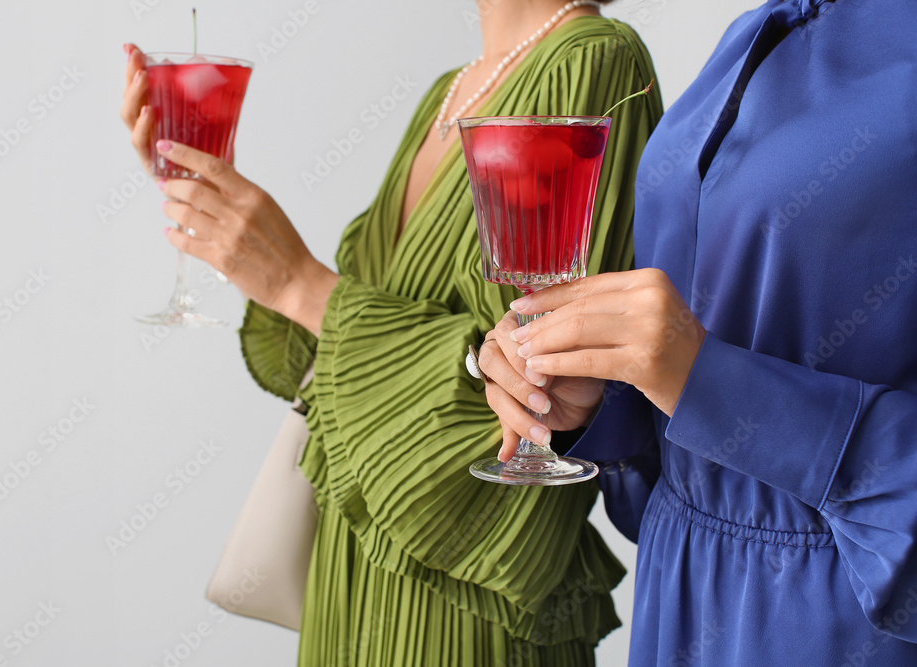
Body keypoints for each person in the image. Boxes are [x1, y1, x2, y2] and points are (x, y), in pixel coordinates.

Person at [121, 1, 662, 663]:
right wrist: (232, 233)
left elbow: (535, 382)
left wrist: (302, 282)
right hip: (352, 580)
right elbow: (332, 368)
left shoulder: (592, 57)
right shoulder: (451, 90)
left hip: (463, 604)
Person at [478, 0, 917, 663]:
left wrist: (711, 385)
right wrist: (600, 394)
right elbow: (677, 452)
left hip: (836, 629)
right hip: (676, 599)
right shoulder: (758, 29)